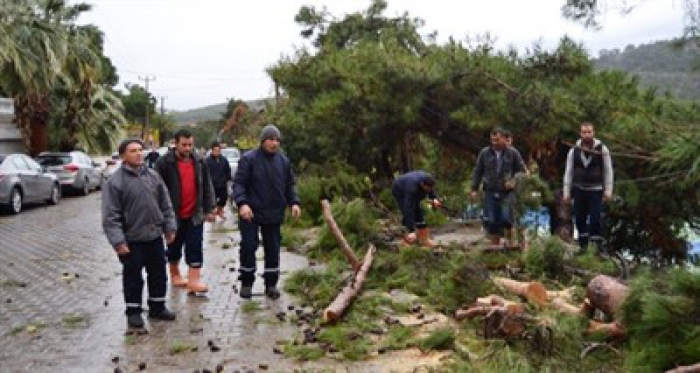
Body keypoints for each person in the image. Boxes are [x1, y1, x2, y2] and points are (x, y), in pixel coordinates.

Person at [102, 138, 178, 328]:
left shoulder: (153, 176)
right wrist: (118, 242)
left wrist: (169, 227)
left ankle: (157, 307)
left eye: (140, 150)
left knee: (159, 274)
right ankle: (134, 312)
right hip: (132, 240)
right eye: (133, 151)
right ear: (123, 156)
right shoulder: (115, 182)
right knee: (133, 277)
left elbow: (166, 204)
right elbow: (110, 216)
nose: (138, 153)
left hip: (154, 237)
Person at [232, 124, 301, 300]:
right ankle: (247, 282)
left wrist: (294, 202)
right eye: (271, 139)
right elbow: (238, 184)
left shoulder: (283, 161)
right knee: (249, 246)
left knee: (273, 249)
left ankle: (271, 284)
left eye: (277, 140)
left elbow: (290, 185)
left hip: (274, 212)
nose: (274, 143)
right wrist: (242, 203)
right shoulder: (249, 159)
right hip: (251, 213)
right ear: (263, 140)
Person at [154, 129, 216, 294]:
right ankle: (175, 274)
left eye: (190, 144)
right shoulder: (164, 163)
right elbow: (156, 189)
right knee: (174, 246)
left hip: (195, 213)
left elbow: (207, 186)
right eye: (184, 145)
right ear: (176, 143)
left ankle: (194, 280)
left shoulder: (200, 161)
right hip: (173, 215)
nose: (188, 148)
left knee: (195, 245)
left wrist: (210, 209)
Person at [563, 122, 614, 254]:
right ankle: (583, 247)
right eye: (584, 132)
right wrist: (566, 192)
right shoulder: (573, 150)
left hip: (596, 190)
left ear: (593, 133)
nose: (587, 135)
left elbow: (608, 171)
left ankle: (596, 248)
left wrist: (608, 191)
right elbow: (568, 172)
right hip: (579, 190)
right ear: (580, 134)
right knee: (579, 218)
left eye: (589, 132)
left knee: (595, 219)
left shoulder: (602, 149)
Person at [471, 127, 526, 247]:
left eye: (497, 140)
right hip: (490, 191)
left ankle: (511, 244)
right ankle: (495, 248)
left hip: (507, 192)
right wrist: (474, 188)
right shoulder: (484, 153)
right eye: (492, 140)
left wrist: (514, 180)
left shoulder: (513, 153)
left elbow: (522, 171)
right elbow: (478, 171)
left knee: (507, 218)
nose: (494, 142)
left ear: (504, 139)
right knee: (492, 221)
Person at [391, 171, 441, 247]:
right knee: (408, 211)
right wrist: (411, 230)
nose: (429, 190)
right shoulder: (412, 189)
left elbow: (430, 189)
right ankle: (407, 240)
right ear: (422, 184)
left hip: (411, 186)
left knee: (418, 213)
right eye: (427, 188)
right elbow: (408, 208)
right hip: (399, 189)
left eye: (430, 188)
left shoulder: (428, 179)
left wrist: (434, 198)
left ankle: (424, 240)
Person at [205, 142, 232, 220]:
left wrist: (228, 179)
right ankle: (213, 213)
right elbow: (205, 173)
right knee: (212, 200)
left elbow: (228, 170)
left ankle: (220, 211)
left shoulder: (224, 160)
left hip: (222, 184)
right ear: (212, 151)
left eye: (218, 150)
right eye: (215, 150)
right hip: (212, 185)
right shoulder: (207, 161)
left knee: (223, 199)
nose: (217, 152)